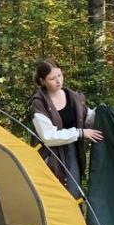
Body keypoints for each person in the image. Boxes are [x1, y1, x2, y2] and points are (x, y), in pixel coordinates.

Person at [30, 59, 103, 196]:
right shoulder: (39, 103)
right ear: (42, 81)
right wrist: (80, 133)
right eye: (52, 78)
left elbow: (86, 118)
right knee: (56, 198)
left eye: (59, 75)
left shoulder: (72, 96)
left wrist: (103, 114)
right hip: (51, 158)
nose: (58, 80)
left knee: (74, 196)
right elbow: (48, 136)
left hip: (72, 153)